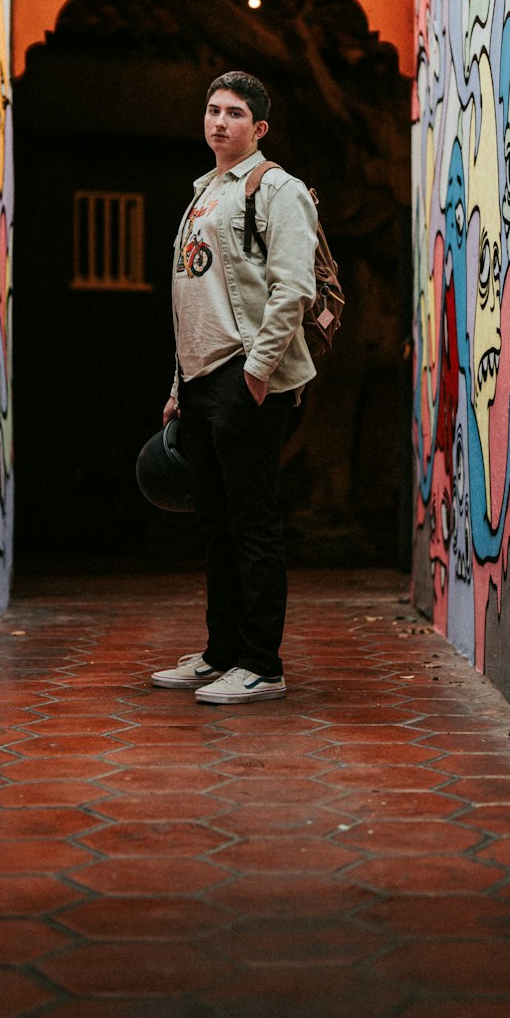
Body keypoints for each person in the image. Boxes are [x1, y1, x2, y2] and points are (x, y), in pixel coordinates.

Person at [152, 70, 318, 703]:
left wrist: (257, 371)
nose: (219, 121)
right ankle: (222, 653)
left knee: (251, 520)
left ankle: (261, 664)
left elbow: (292, 289)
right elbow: (194, 296)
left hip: (246, 375)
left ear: (259, 128)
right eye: (212, 110)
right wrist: (178, 381)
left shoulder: (278, 190)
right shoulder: (203, 191)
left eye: (235, 114)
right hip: (198, 378)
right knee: (215, 522)